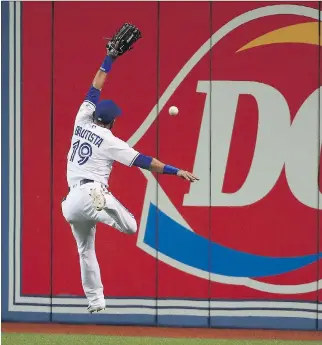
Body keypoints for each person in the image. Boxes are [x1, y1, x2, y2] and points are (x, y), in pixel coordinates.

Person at [61, 25, 199, 313]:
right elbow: (145, 162)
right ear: (111, 122)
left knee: (85, 250)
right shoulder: (110, 140)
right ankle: (104, 202)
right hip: (91, 192)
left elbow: (95, 86)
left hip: (71, 202)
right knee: (131, 226)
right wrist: (177, 171)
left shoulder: (82, 119)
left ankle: (96, 300)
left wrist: (109, 57)